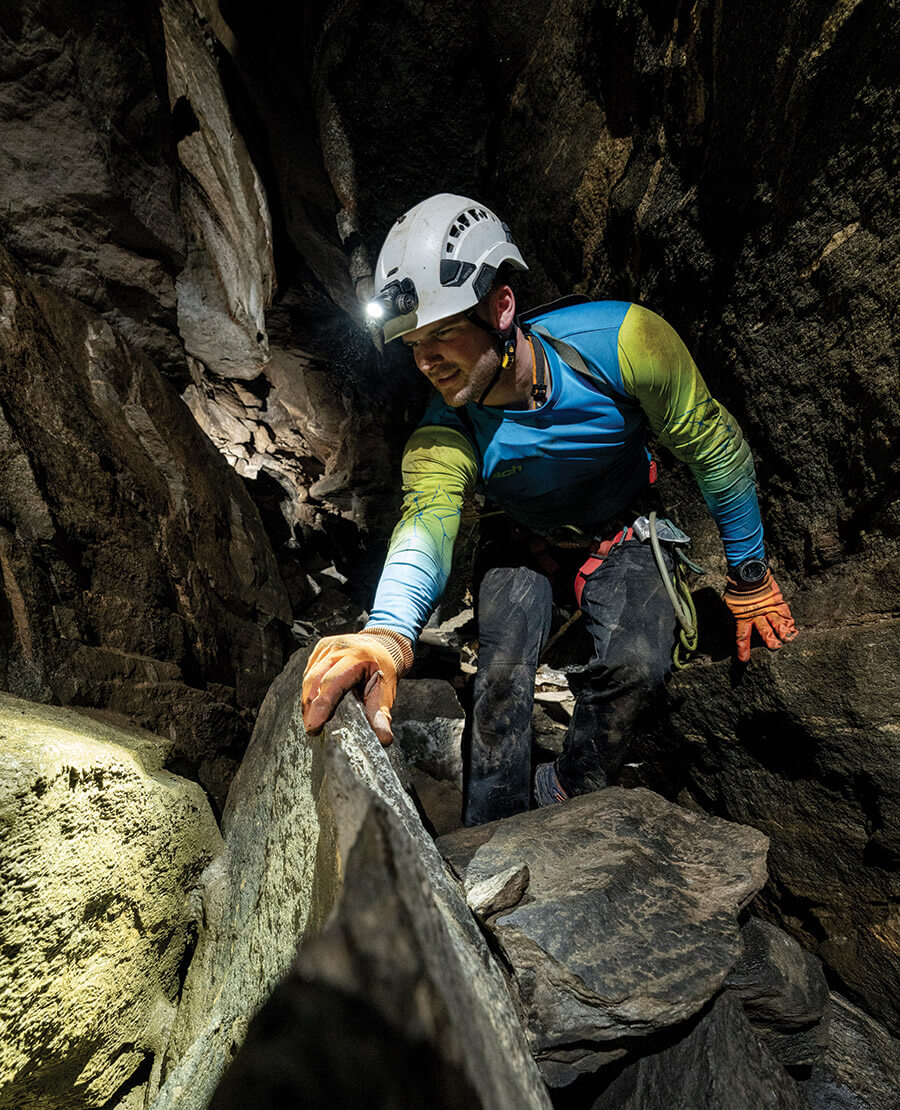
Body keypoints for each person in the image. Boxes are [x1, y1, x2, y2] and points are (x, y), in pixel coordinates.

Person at [301, 193, 797, 825]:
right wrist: (388, 635)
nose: (425, 362)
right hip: (520, 537)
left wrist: (749, 577)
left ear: (500, 307)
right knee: (500, 682)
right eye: (412, 344)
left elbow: (714, 447)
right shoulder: (444, 430)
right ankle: (485, 843)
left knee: (637, 668)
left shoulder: (624, 343)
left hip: (623, 529)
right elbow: (426, 521)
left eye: (442, 333)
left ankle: (563, 793)